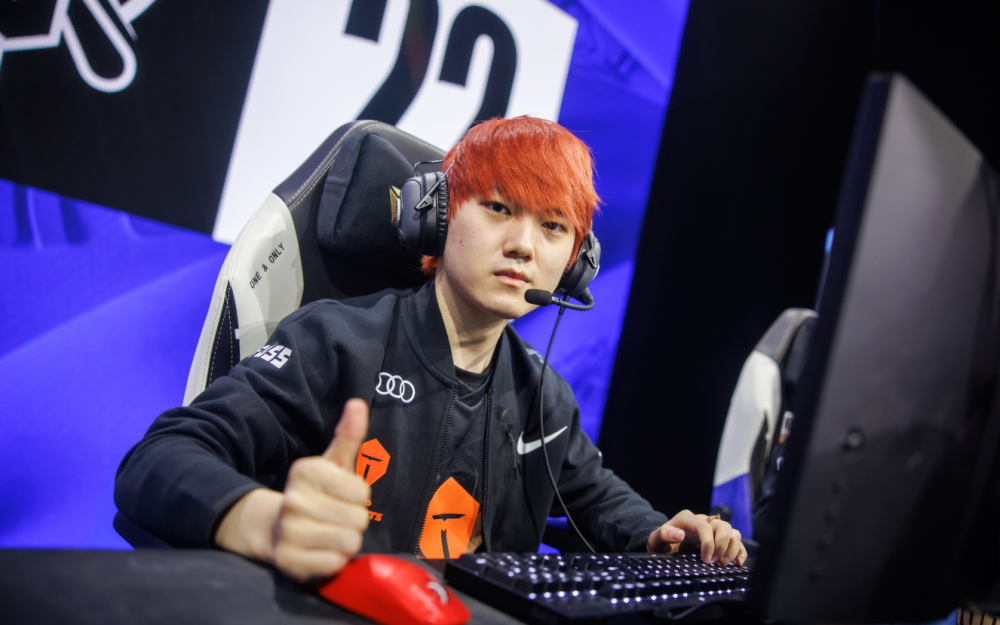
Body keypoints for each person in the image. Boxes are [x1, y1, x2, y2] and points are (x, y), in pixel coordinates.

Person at [115, 116, 746, 582]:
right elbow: (157, 459)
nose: (525, 246)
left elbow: (598, 498)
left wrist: (663, 533)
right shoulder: (332, 342)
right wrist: (265, 521)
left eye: (554, 226)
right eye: (499, 207)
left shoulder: (543, 397)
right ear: (436, 216)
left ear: (576, 264)